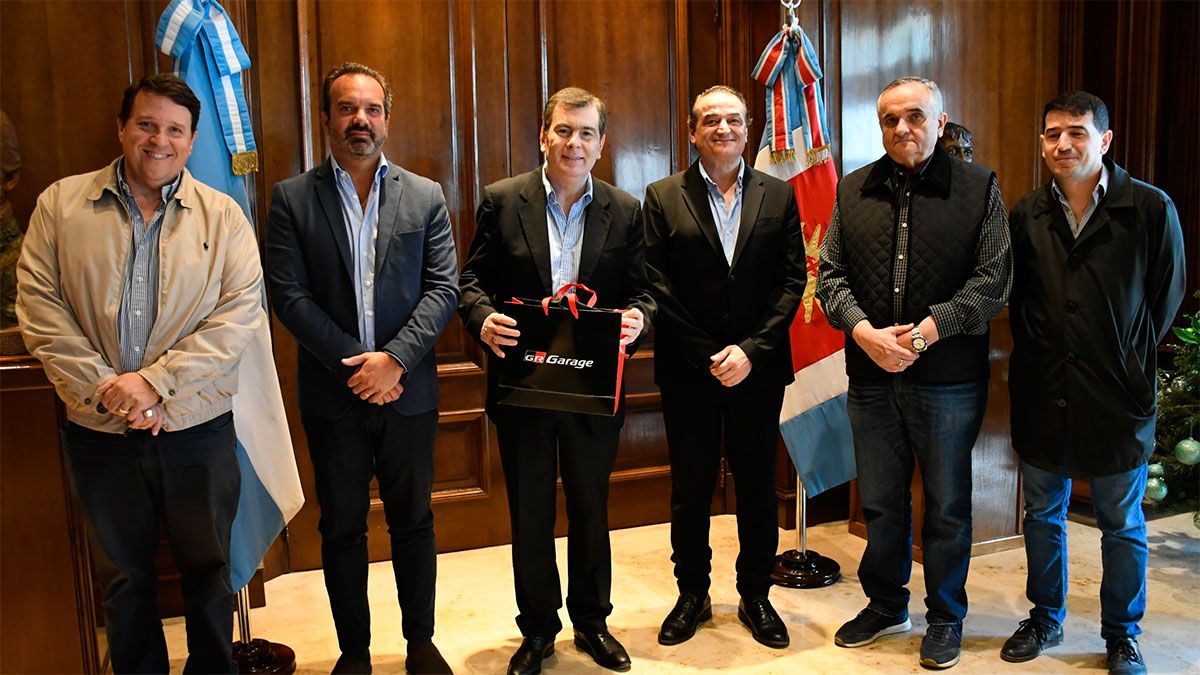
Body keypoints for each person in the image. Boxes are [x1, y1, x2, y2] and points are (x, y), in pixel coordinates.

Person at [16, 74, 262, 674]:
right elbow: (39, 308)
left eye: (175, 130)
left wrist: (155, 383)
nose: (160, 140)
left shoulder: (224, 216)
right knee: (124, 579)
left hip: (197, 429)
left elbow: (238, 315)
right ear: (122, 129)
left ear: (192, 140)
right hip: (98, 433)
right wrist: (111, 392)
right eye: (147, 125)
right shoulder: (59, 205)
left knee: (209, 573)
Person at [265, 62, 459, 675]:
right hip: (334, 394)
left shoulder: (425, 195)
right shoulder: (292, 198)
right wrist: (358, 366)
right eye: (347, 108)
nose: (360, 120)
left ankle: (420, 643)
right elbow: (288, 294)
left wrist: (394, 360)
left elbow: (443, 288)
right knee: (342, 528)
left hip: (408, 392)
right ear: (326, 117)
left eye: (372, 109)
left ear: (387, 120)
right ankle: (353, 653)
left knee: (414, 522)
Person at [816, 76, 1012, 669]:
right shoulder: (852, 189)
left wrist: (926, 332)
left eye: (916, 116)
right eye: (890, 119)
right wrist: (864, 332)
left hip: (948, 381)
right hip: (871, 376)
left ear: (940, 120)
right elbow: (829, 277)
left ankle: (946, 615)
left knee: (947, 506)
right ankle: (885, 604)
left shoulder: (980, 188)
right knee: (880, 502)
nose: (903, 128)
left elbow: (993, 280)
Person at [458, 86, 655, 675]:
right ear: (544, 136)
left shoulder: (624, 209)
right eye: (564, 130)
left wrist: (639, 319)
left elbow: (645, 292)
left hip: (592, 391)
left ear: (601, 143)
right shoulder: (502, 200)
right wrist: (481, 318)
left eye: (587, 133)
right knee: (531, 513)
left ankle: (592, 622)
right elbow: (471, 283)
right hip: (524, 389)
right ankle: (538, 629)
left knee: (592, 508)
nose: (575, 143)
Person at [1001, 91, 1185, 675]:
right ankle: (1045, 617)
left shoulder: (1150, 208)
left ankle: (1122, 635)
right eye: (1052, 133)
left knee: (1121, 524)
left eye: (1076, 132)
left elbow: (1166, 295)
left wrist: (1125, 353)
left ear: (1104, 140)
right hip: (1043, 389)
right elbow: (1020, 300)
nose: (1063, 144)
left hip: (1117, 393)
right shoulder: (1027, 214)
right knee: (1042, 514)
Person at [643, 85, 805, 650]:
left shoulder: (779, 195)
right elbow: (655, 284)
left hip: (758, 370)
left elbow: (793, 281)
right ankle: (692, 594)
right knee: (691, 489)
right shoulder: (662, 196)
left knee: (757, 486)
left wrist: (750, 350)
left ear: (748, 128)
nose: (723, 129)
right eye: (710, 120)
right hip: (689, 370)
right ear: (693, 132)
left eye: (733, 119)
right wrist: (709, 353)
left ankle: (756, 594)